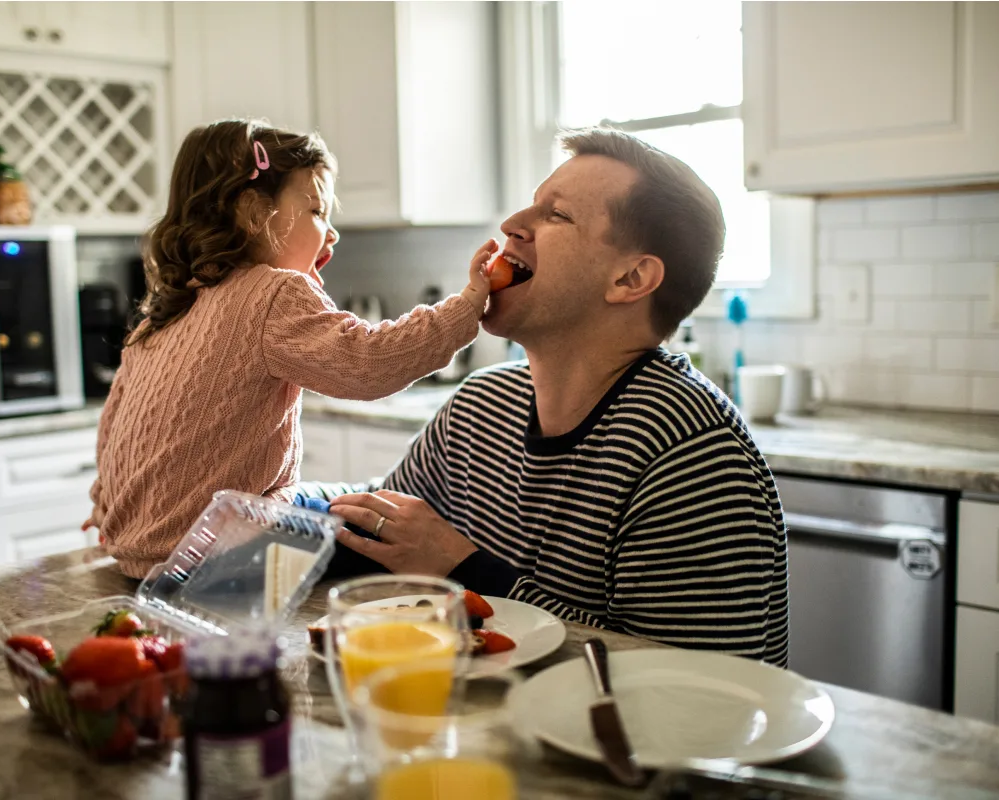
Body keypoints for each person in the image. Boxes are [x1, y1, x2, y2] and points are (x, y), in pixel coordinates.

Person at [302, 128, 789, 666]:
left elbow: (681, 684)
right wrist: (259, 503)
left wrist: (461, 567)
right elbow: (385, 523)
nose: (512, 226)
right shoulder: (483, 404)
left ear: (631, 278)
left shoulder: (691, 454)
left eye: (556, 215)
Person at [84, 119, 494, 579]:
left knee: (332, 501)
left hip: (140, 556)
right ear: (253, 212)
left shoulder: (162, 313)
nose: (332, 233)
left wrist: (108, 507)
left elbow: (113, 432)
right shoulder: (272, 294)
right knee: (392, 536)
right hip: (225, 551)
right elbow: (367, 363)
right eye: (317, 211)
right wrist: (467, 307)